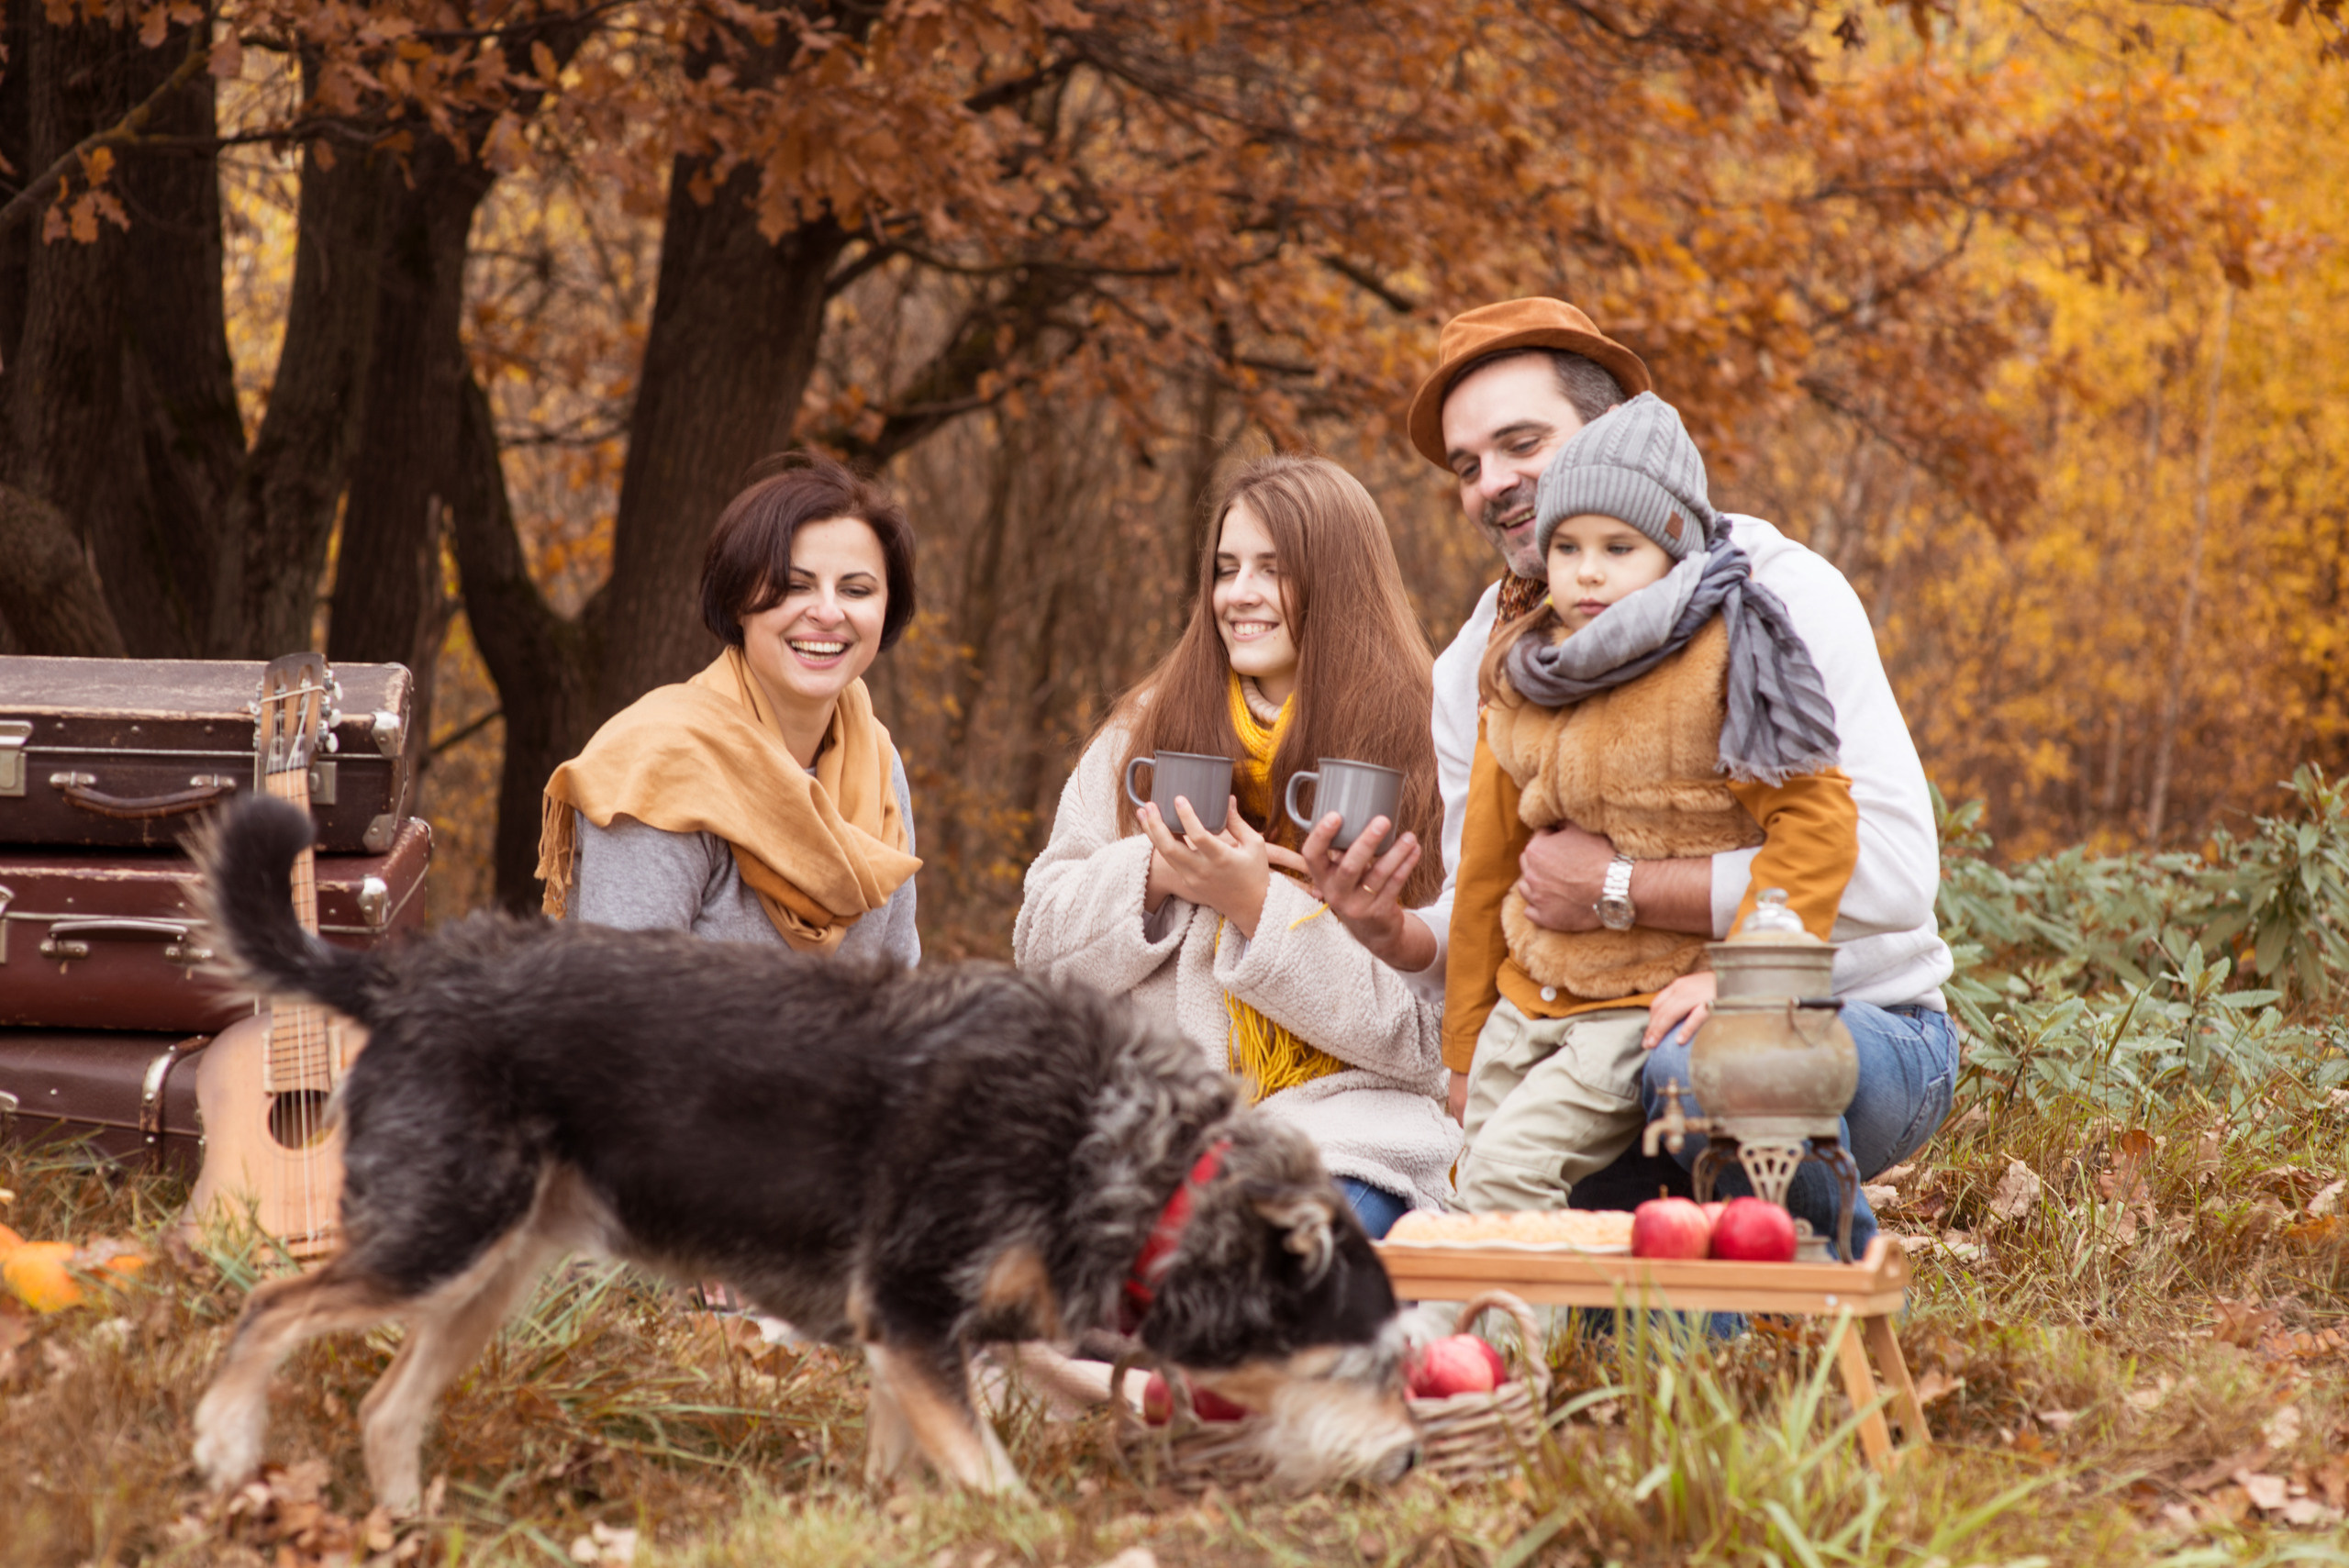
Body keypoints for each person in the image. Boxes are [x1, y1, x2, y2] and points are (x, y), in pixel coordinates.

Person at [1296, 298, 1954, 1258]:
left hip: (1850, 1025)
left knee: (1698, 1062)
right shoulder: (1483, 661)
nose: (1492, 483)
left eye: (1521, 442)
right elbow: (1503, 897)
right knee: (1538, 1187)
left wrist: (1625, 888)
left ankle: (1813, 1283)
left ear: (1616, 430)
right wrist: (1394, 933)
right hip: (1599, 1032)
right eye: (1467, 466)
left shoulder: (1768, 596)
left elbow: (1893, 873)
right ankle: (1641, 1322)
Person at [1445, 391, 1864, 1232]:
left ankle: (1521, 1355)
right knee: (1469, 1186)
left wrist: (1740, 979)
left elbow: (1817, 830)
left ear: (1673, 552)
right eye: (1567, 547)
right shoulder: (1525, 673)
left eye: (1618, 547)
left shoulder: (1725, 659)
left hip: (1640, 1001)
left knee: (1508, 1173)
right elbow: (1487, 869)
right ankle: (1501, 1314)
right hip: (1528, 997)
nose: (1588, 571)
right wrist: (1463, 1044)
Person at [1013, 455, 1458, 1238]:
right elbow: (1039, 950)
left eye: (1272, 569)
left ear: (1337, 582)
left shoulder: (1425, 749)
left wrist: (1255, 904)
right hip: (1153, 1121)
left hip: (1349, 1135)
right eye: (1226, 568)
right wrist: (1157, 869)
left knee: (1277, 1250)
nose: (1239, 593)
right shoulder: (1145, 731)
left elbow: (1428, 1038)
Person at [538, 454, 921, 964]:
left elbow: (898, 989)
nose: (829, 612)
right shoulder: (661, 768)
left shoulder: (876, 762)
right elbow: (625, 1002)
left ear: (887, 608)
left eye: (856, 590)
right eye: (795, 585)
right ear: (740, 599)